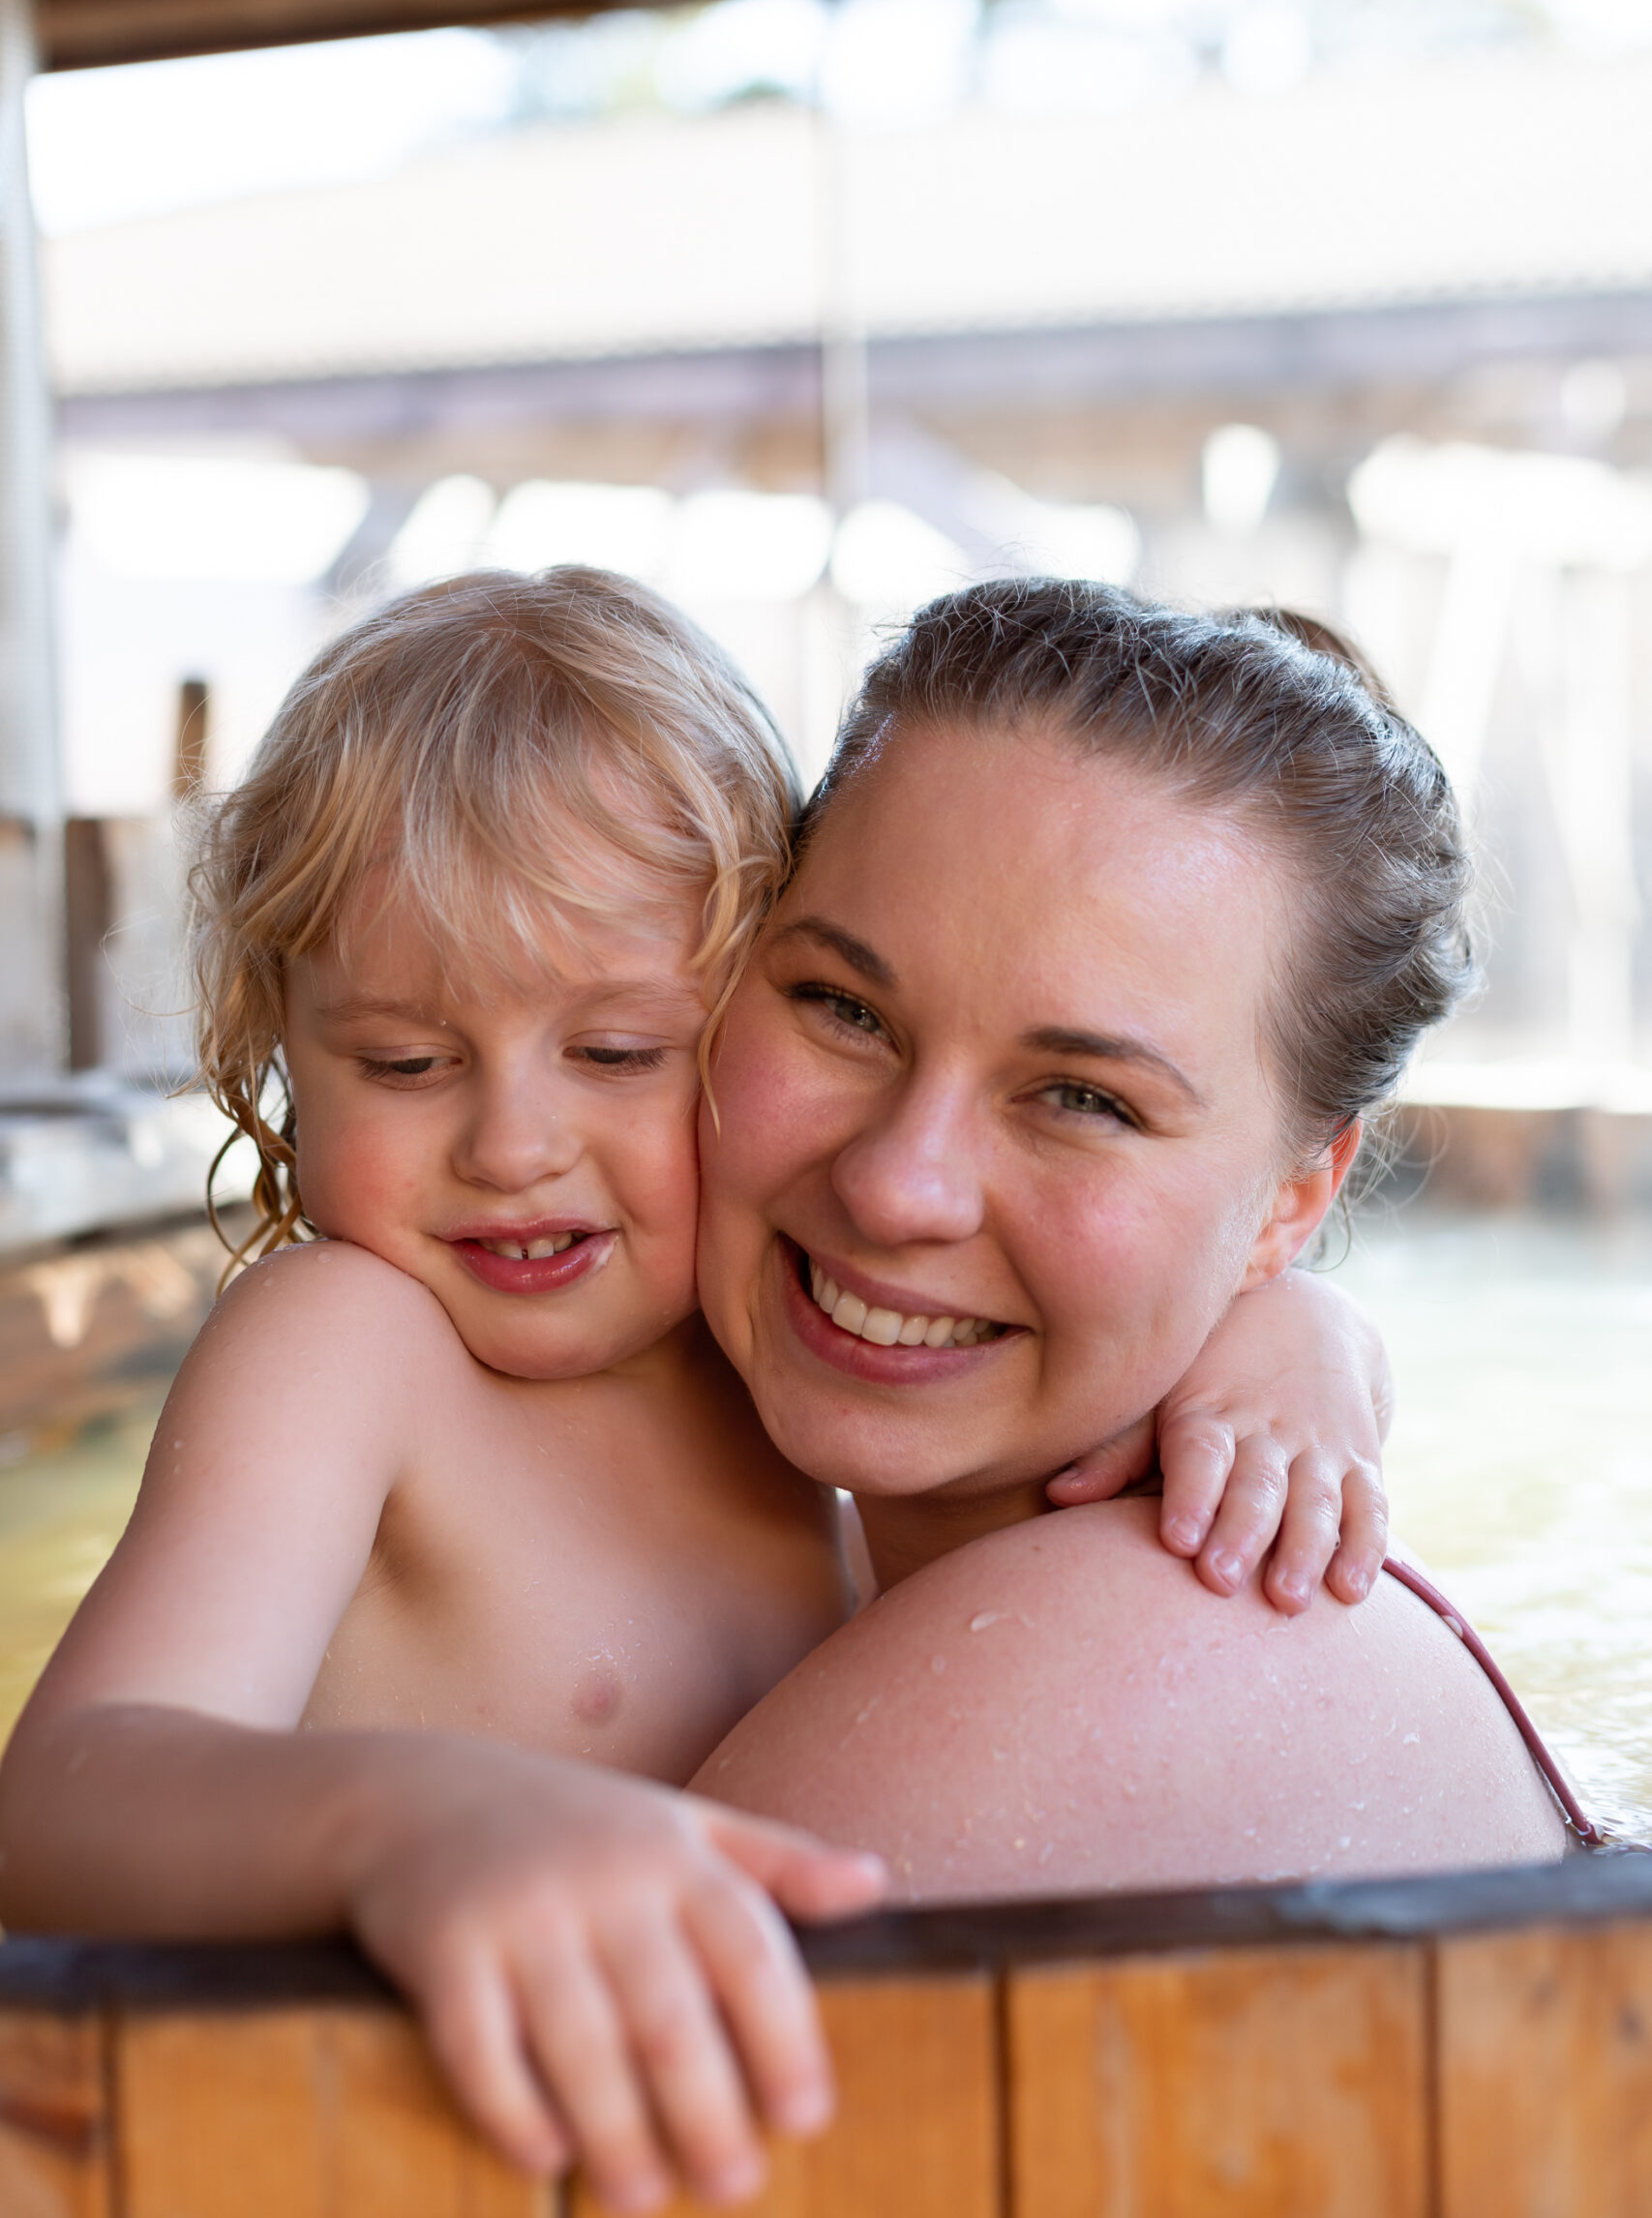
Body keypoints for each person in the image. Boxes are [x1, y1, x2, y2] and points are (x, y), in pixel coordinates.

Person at [0, 569, 1396, 2213]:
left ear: (737, 1025)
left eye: (616, 1054)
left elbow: (1122, 1343)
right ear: (278, 1056)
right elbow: (67, 1800)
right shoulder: (351, 1347)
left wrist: (1302, 1341)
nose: (513, 1148)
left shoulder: (771, 1353)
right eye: (400, 1062)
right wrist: (401, 1828)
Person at [692, 581, 1572, 1893]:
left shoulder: (1134, 1643)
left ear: (1295, 1196)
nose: (896, 1187)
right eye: (844, 1008)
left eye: (1086, 1098)